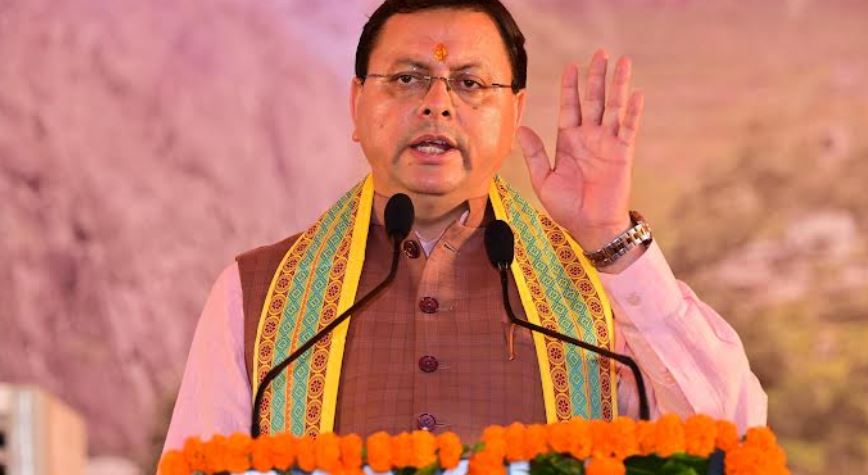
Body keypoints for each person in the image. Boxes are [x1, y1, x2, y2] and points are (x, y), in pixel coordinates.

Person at [163, 0, 766, 452]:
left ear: (515, 112)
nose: (438, 103)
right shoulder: (254, 295)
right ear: (356, 104)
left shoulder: (605, 289)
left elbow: (733, 431)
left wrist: (610, 237)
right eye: (407, 78)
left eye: (470, 83)